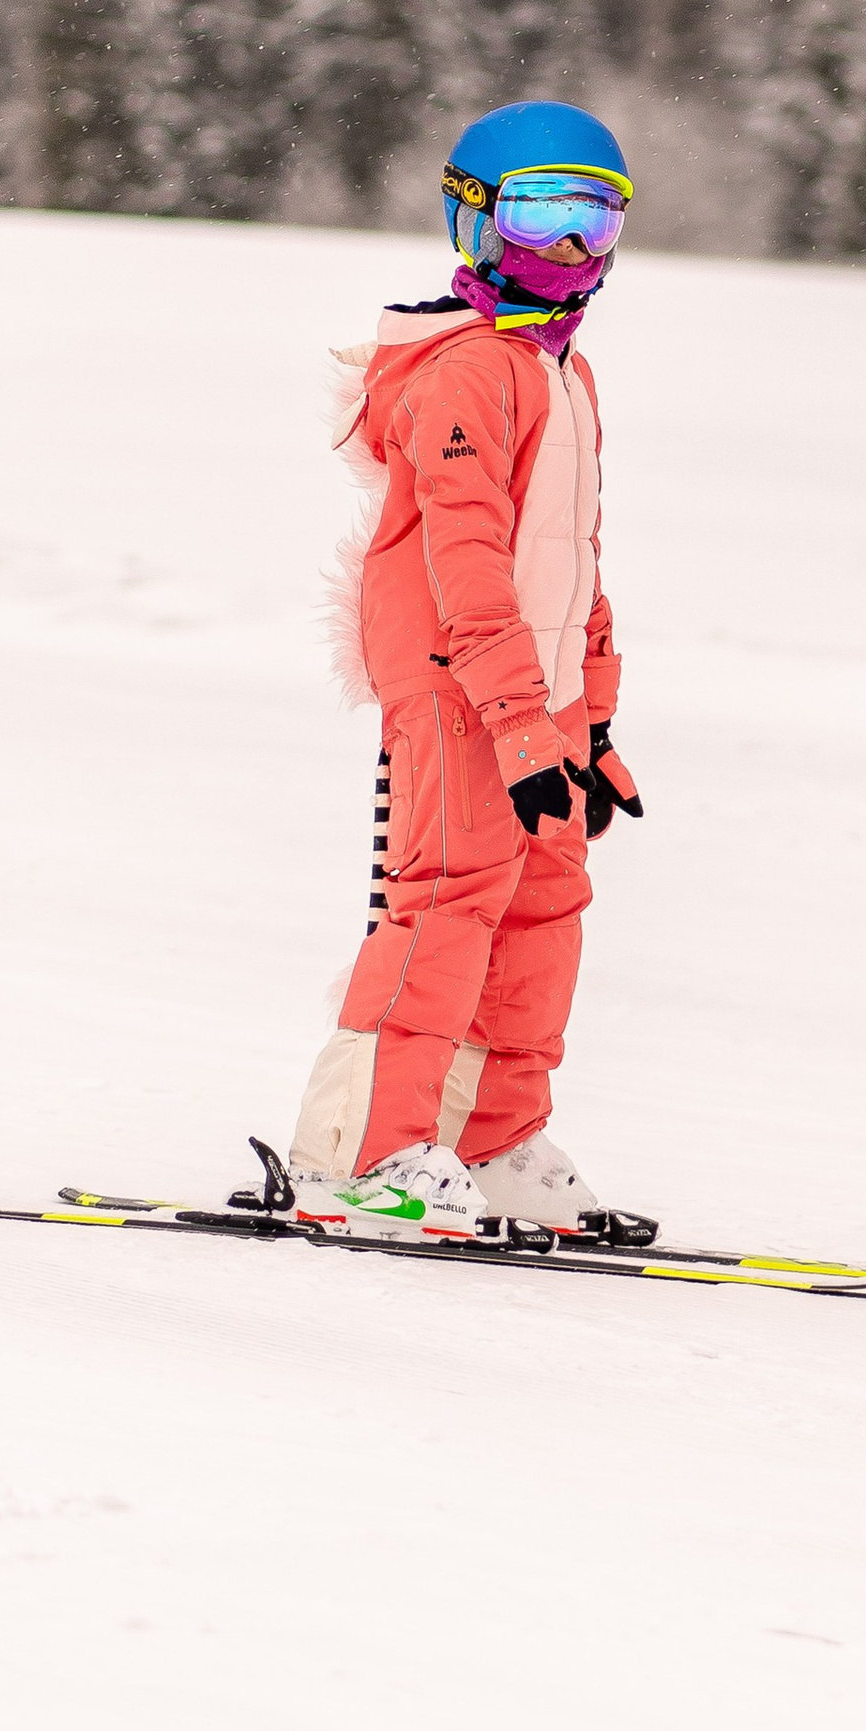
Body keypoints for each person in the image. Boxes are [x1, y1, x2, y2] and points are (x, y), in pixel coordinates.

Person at [286, 97, 645, 1232]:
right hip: (456, 689)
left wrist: (588, 725)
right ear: (477, 221)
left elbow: (574, 563)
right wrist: (517, 717)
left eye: (596, 216)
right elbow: (468, 566)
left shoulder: (562, 375)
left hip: (535, 703)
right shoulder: (462, 376)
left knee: (543, 911)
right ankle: (359, 1153)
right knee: (441, 906)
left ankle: (493, 1140)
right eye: (543, 213)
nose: (572, 248)